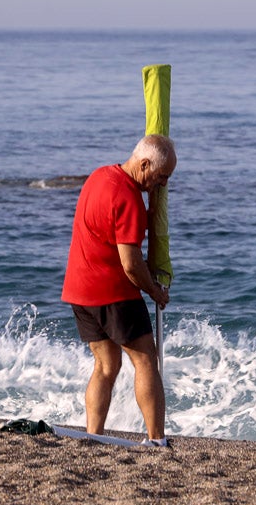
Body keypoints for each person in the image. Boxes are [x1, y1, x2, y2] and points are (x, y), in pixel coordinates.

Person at [62, 134, 177, 446]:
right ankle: (157, 440)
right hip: (112, 293)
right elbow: (130, 263)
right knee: (145, 361)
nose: (163, 184)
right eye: (161, 176)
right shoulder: (127, 199)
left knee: (106, 365)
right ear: (143, 164)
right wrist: (154, 290)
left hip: (79, 291)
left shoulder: (100, 175)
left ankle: (93, 436)